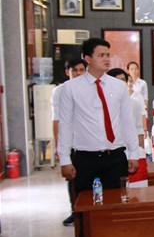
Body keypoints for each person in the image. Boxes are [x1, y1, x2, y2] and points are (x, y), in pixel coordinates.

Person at [57, 37, 139, 198]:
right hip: (85, 157)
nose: (106, 59)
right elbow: (65, 124)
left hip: (115, 156)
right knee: (86, 204)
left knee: (116, 203)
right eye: (101, 55)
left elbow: (127, 122)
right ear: (87, 59)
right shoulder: (71, 88)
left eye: (108, 55)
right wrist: (65, 159)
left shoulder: (118, 86)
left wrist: (134, 153)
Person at [52, 57, 86, 226]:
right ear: (68, 72)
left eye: (81, 70)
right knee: (72, 179)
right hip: (70, 142)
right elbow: (56, 121)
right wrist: (59, 147)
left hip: (88, 141)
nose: (78, 73)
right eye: (74, 71)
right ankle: (75, 212)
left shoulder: (91, 88)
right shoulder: (60, 91)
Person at [108, 68, 145, 148]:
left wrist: (141, 150)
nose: (120, 83)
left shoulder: (135, 104)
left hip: (130, 148)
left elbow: (139, 129)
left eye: (123, 80)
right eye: (116, 80)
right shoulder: (102, 105)